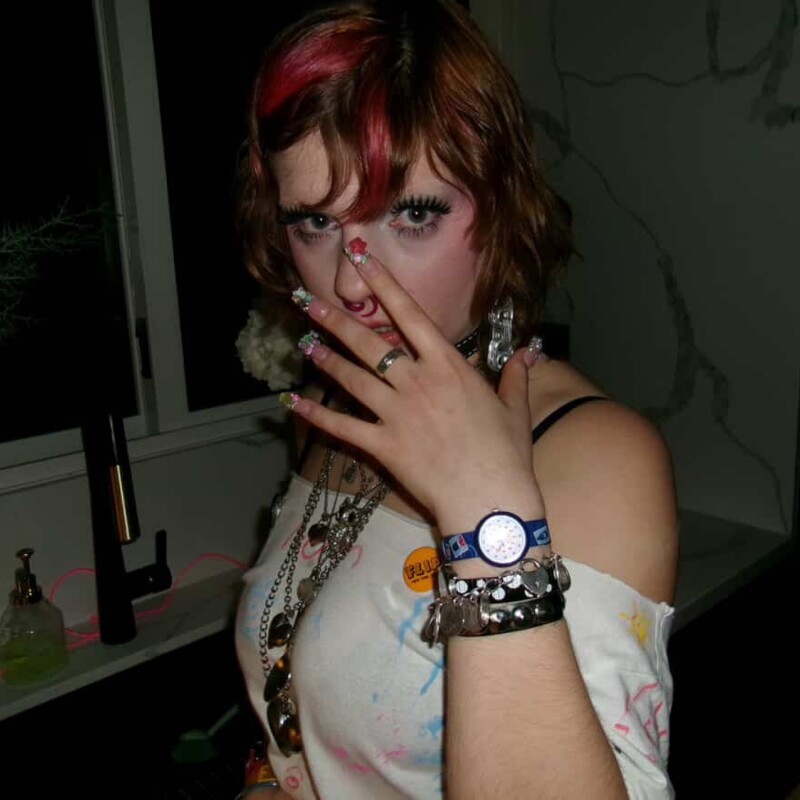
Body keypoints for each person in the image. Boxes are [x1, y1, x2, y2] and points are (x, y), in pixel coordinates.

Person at [234, 1, 679, 798]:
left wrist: (486, 513)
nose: (351, 283)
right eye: (313, 223)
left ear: (500, 206)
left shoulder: (598, 458)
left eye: (411, 215)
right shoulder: (337, 407)